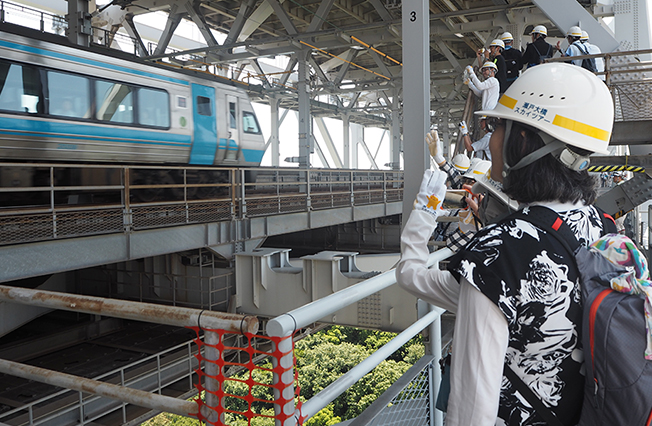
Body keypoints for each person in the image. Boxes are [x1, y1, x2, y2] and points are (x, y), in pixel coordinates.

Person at [397, 63, 615, 425]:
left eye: (498, 126)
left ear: (524, 141)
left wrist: (425, 206)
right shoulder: (604, 229)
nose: (493, 138)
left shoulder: (498, 254)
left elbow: (471, 415)